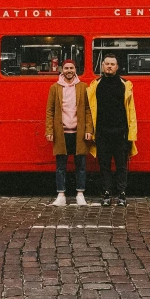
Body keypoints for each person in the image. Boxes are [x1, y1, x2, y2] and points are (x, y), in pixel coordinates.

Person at [88, 53, 137, 207]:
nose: (109, 66)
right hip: (102, 133)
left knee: (122, 166)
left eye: (112, 64)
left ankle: (122, 194)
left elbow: (131, 112)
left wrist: (131, 135)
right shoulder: (95, 85)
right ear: (102, 66)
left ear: (117, 67)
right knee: (104, 166)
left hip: (120, 133)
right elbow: (89, 110)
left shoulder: (125, 85)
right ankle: (107, 193)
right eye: (106, 64)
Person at [46, 59, 93, 206]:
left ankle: (80, 194)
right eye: (66, 68)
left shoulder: (83, 87)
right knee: (61, 166)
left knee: (81, 165)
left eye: (71, 68)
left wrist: (88, 129)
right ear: (62, 70)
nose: (69, 71)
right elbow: (50, 111)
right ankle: (61, 195)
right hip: (62, 132)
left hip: (78, 133)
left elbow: (88, 110)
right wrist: (49, 130)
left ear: (75, 69)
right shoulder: (54, 88)